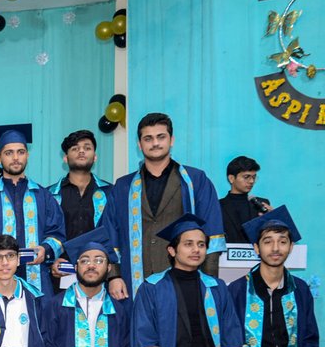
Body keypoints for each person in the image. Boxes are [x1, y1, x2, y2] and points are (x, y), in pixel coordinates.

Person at [107, 113, 226, 297]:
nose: (155, 143)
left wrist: (207, 281)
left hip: (185, 279)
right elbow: (110, 232)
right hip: (135, 279)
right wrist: (114, 276)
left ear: (171, 140)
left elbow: (213, 233)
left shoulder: (195, 180)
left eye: (161, 137)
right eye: (148, 138)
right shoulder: (123, 186)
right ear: (139, 144)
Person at [131, 214, 243, 347]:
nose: (196, 250)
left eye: (201, 244)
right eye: (188, 244)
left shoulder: (217, 287)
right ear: (172, 250)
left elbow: (231, 331)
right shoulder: (152, 288)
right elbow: (144, 336)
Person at [0, 123, 65, 297]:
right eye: (8, 153)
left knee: (38, 321)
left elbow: (58, 233)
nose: (15, 158)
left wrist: (46, 250)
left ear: (27, 155)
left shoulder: (43, 195)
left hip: (37, 276)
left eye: (21, 152)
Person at [227, 206, 319, 347]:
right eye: (268, 242)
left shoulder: (300, 289)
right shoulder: (238, 290)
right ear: (256, 248)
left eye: (282, 242)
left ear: (291, 247)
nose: (276, 248)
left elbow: (309, 338)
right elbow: (230, 338)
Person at [43, 226, 132, 347]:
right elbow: (46, 345)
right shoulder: (56, 305)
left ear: (109, 268)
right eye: (84, 261)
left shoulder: (117, 310)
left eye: (98, 260)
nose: (91, 266)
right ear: (76, 267)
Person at [47, 129, 112, 240]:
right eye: (75, 149)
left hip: (99, 256)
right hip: (61, 257)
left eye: (87, 148)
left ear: (95, 157)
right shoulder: (50, 195)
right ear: (65, 158)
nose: (81, 151)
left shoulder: (110, 192)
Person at [219, 156, 272, 244]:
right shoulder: (218, 206)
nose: (251, 181)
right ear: (231, 178)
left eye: (254, 177)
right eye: (246, 177)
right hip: (226, 256)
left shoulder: (262, 204)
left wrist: (274, 218)